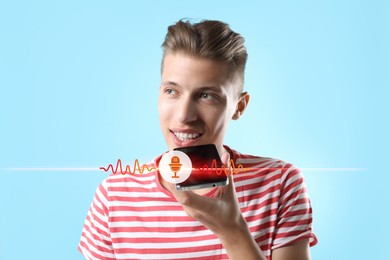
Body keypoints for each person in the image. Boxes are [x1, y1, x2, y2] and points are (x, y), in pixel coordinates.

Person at [78, 19, 318, 260]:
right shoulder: (115, 194)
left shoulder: (280, 183)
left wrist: (233, 231)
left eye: (206, 96)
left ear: (239, 107)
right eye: (171, 91)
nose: (184, 116)